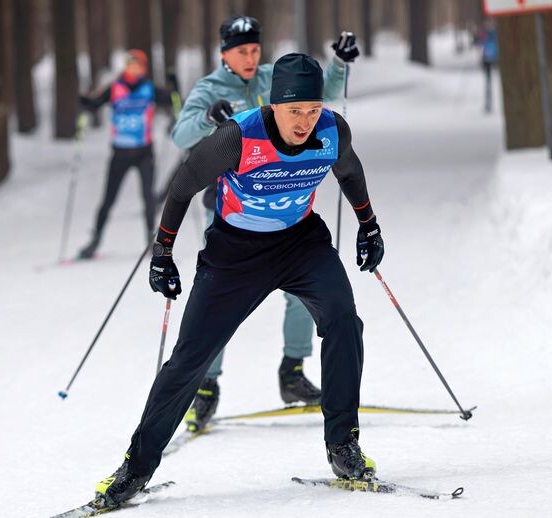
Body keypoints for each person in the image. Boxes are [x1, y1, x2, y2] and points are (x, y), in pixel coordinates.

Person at [92, 53, 384, 507]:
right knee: (191, 358)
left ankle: (342, 444)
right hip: (234, 252)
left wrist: (369, 225)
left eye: (312, 109)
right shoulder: (237, 137)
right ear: (272, 106)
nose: (305, 121)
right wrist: (162, 254)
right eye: (294, 111)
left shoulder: (332, 129)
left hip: (300, 244)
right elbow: (183, 184)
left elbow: (349, 171)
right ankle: (137, 466)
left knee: (344, 319)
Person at [168, 15, 361, 432]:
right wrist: (208, 119)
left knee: (303, 295)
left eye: (255, 50)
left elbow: (320, 96)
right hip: (229, 209)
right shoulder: (209, 88)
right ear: (225, 54)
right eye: (242, 52)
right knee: (218, 302)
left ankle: (292, 371)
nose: (251, 58)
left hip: (285, 209)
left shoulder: (272, 77)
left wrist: (339, 64)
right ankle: (206, 385)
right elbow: (180, 136)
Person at [76, 50, 173, 259]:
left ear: (143, 68)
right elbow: (94, 104)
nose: (133, 69)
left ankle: (151, 241)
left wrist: (175, 89)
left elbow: (173, 100)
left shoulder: (149, 88)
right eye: (130, 65)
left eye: (137, 65)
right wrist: (84, 100)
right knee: (108, 198)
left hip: (144, 152)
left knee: (148, 197)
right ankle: (95, 240)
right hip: (120, 152)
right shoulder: (114, 88)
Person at [475, 19, 498, 114]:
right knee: (488, 82)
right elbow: (478, 43)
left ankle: (489, 104)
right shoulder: (486, 34)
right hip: (487, 60)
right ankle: (488, 104)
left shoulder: (492, 34)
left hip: (493, 59)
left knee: (489, 82)